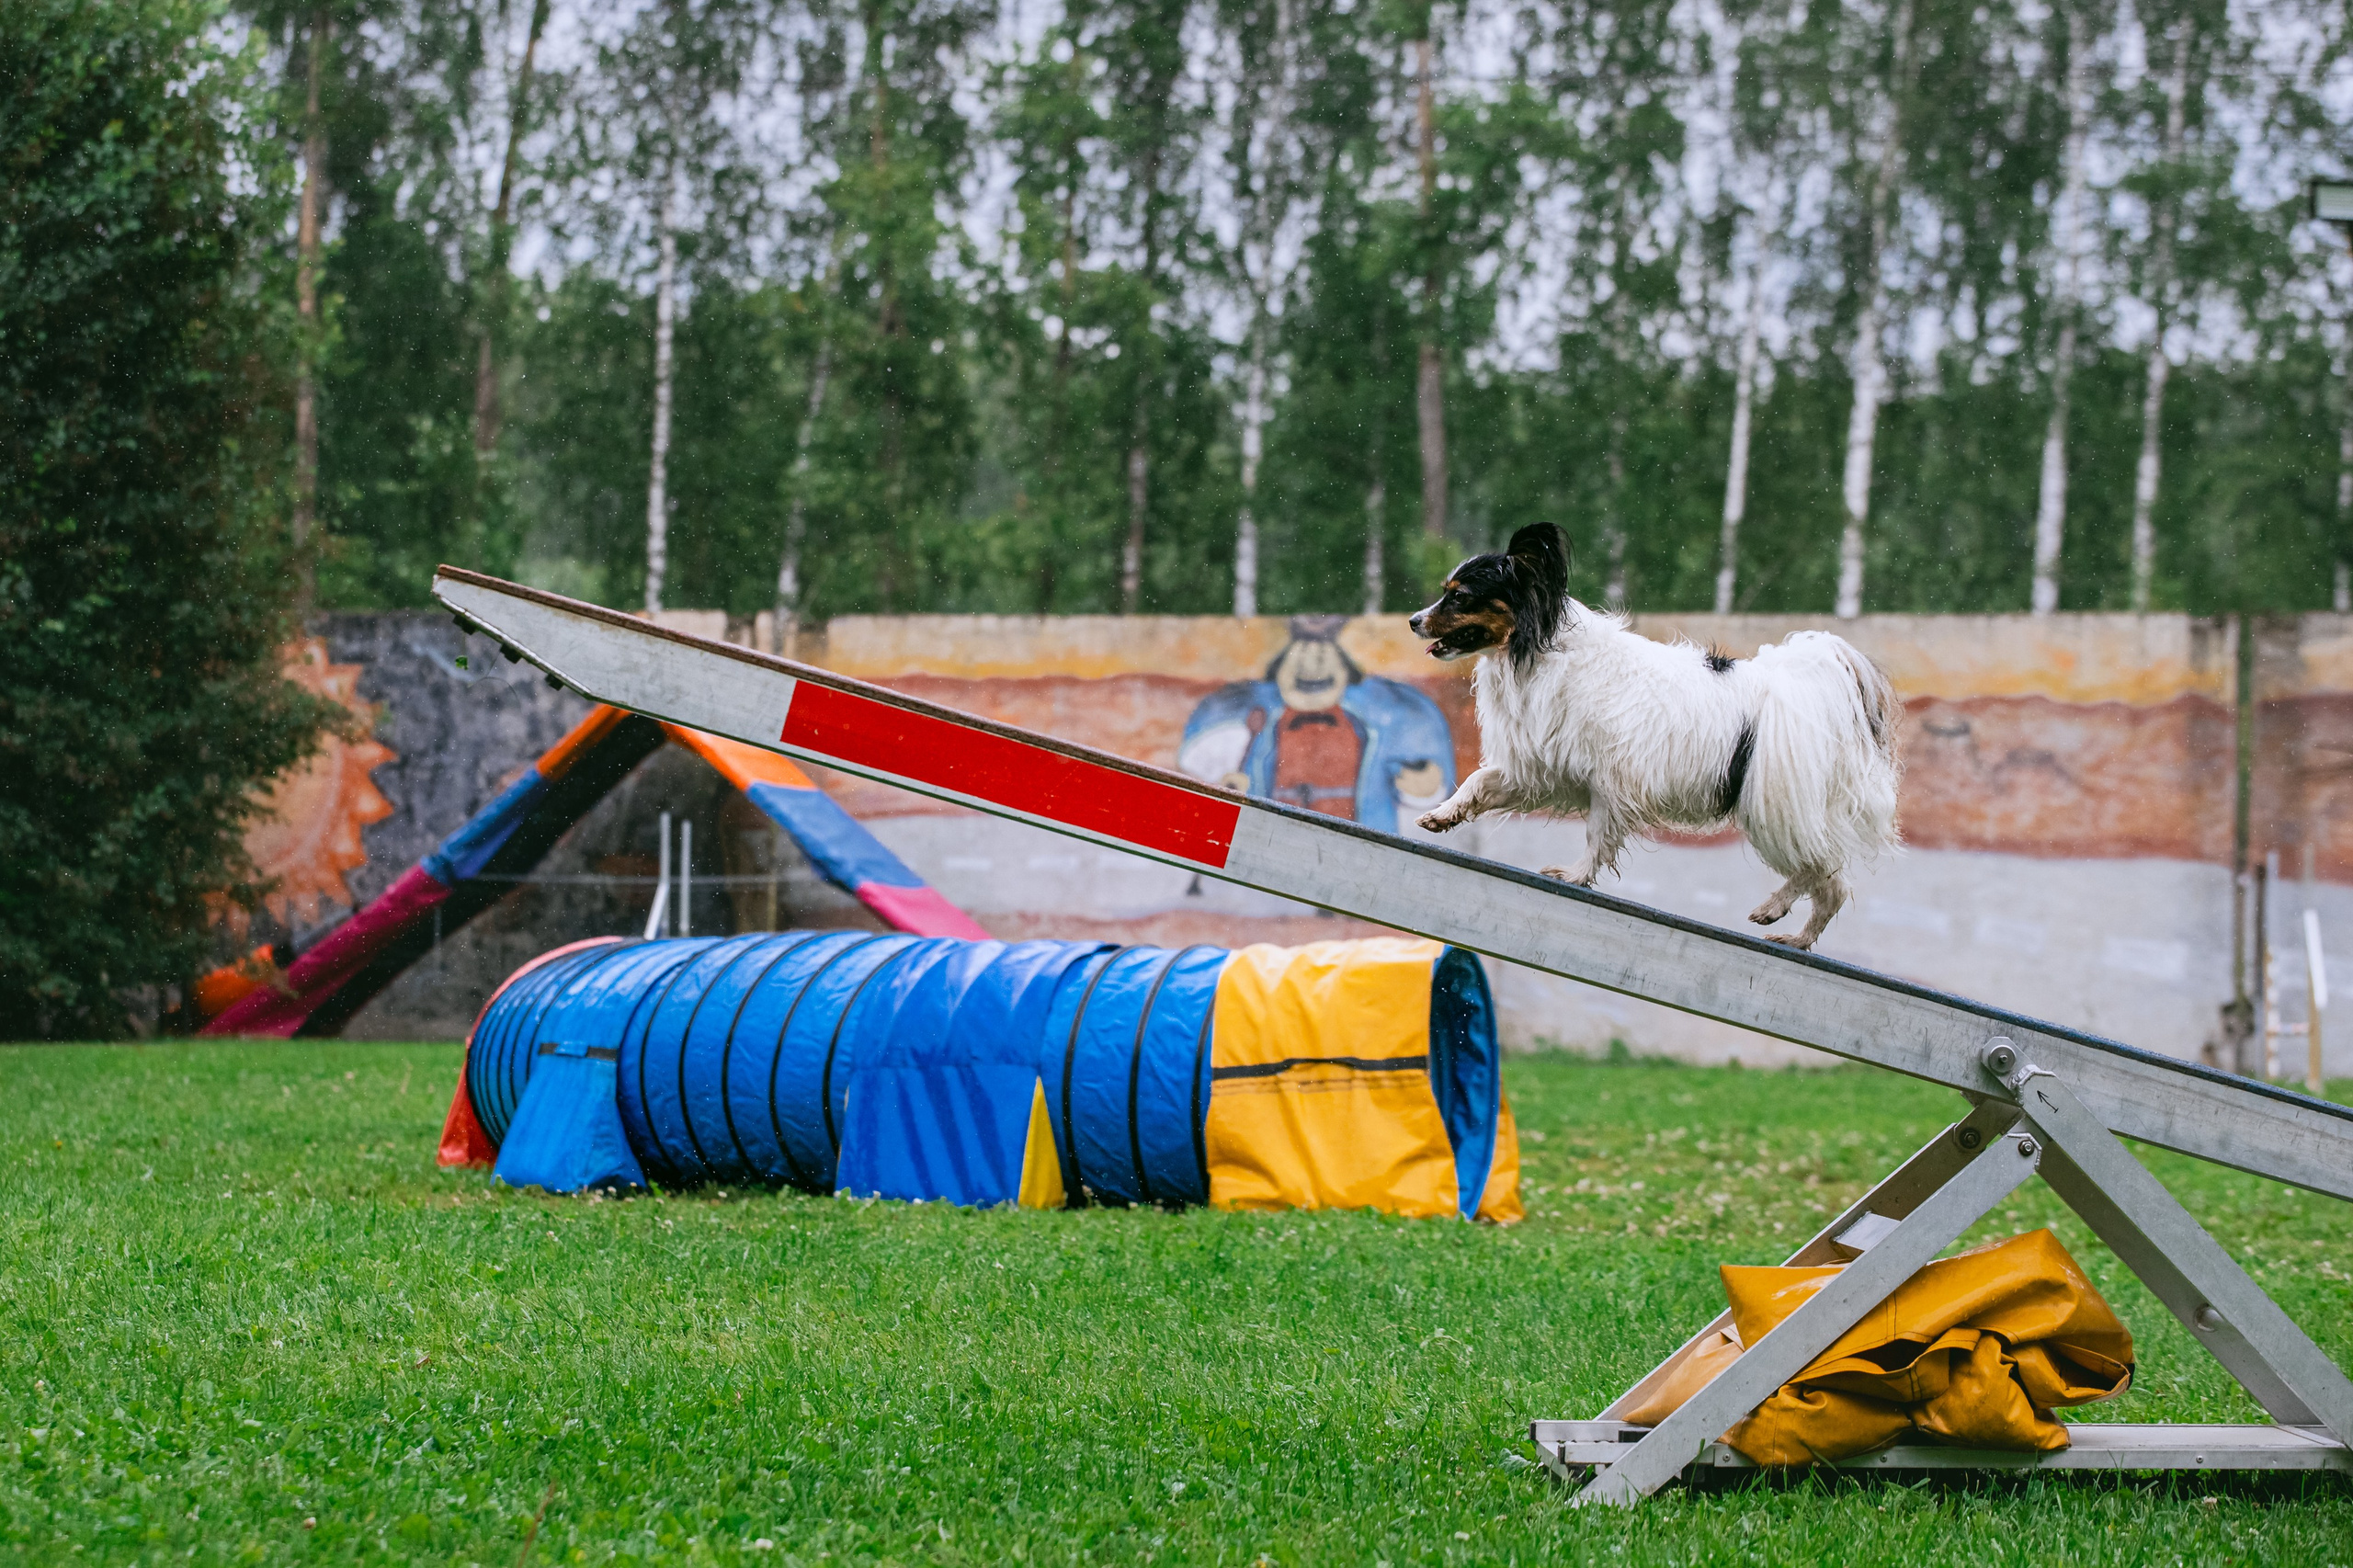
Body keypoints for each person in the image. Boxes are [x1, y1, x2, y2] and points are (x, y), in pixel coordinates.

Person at [1177, 615, 1455, 834]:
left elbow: (1419, 769)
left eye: (1323, 656)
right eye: (1300, 657)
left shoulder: (1379, 722)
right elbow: (1204, 759)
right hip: (1276, 840)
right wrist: (1226, 783)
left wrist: (1426, 785)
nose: (1313, 666)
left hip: (1356, 846)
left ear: (1346, 672)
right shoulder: (1254, 720)